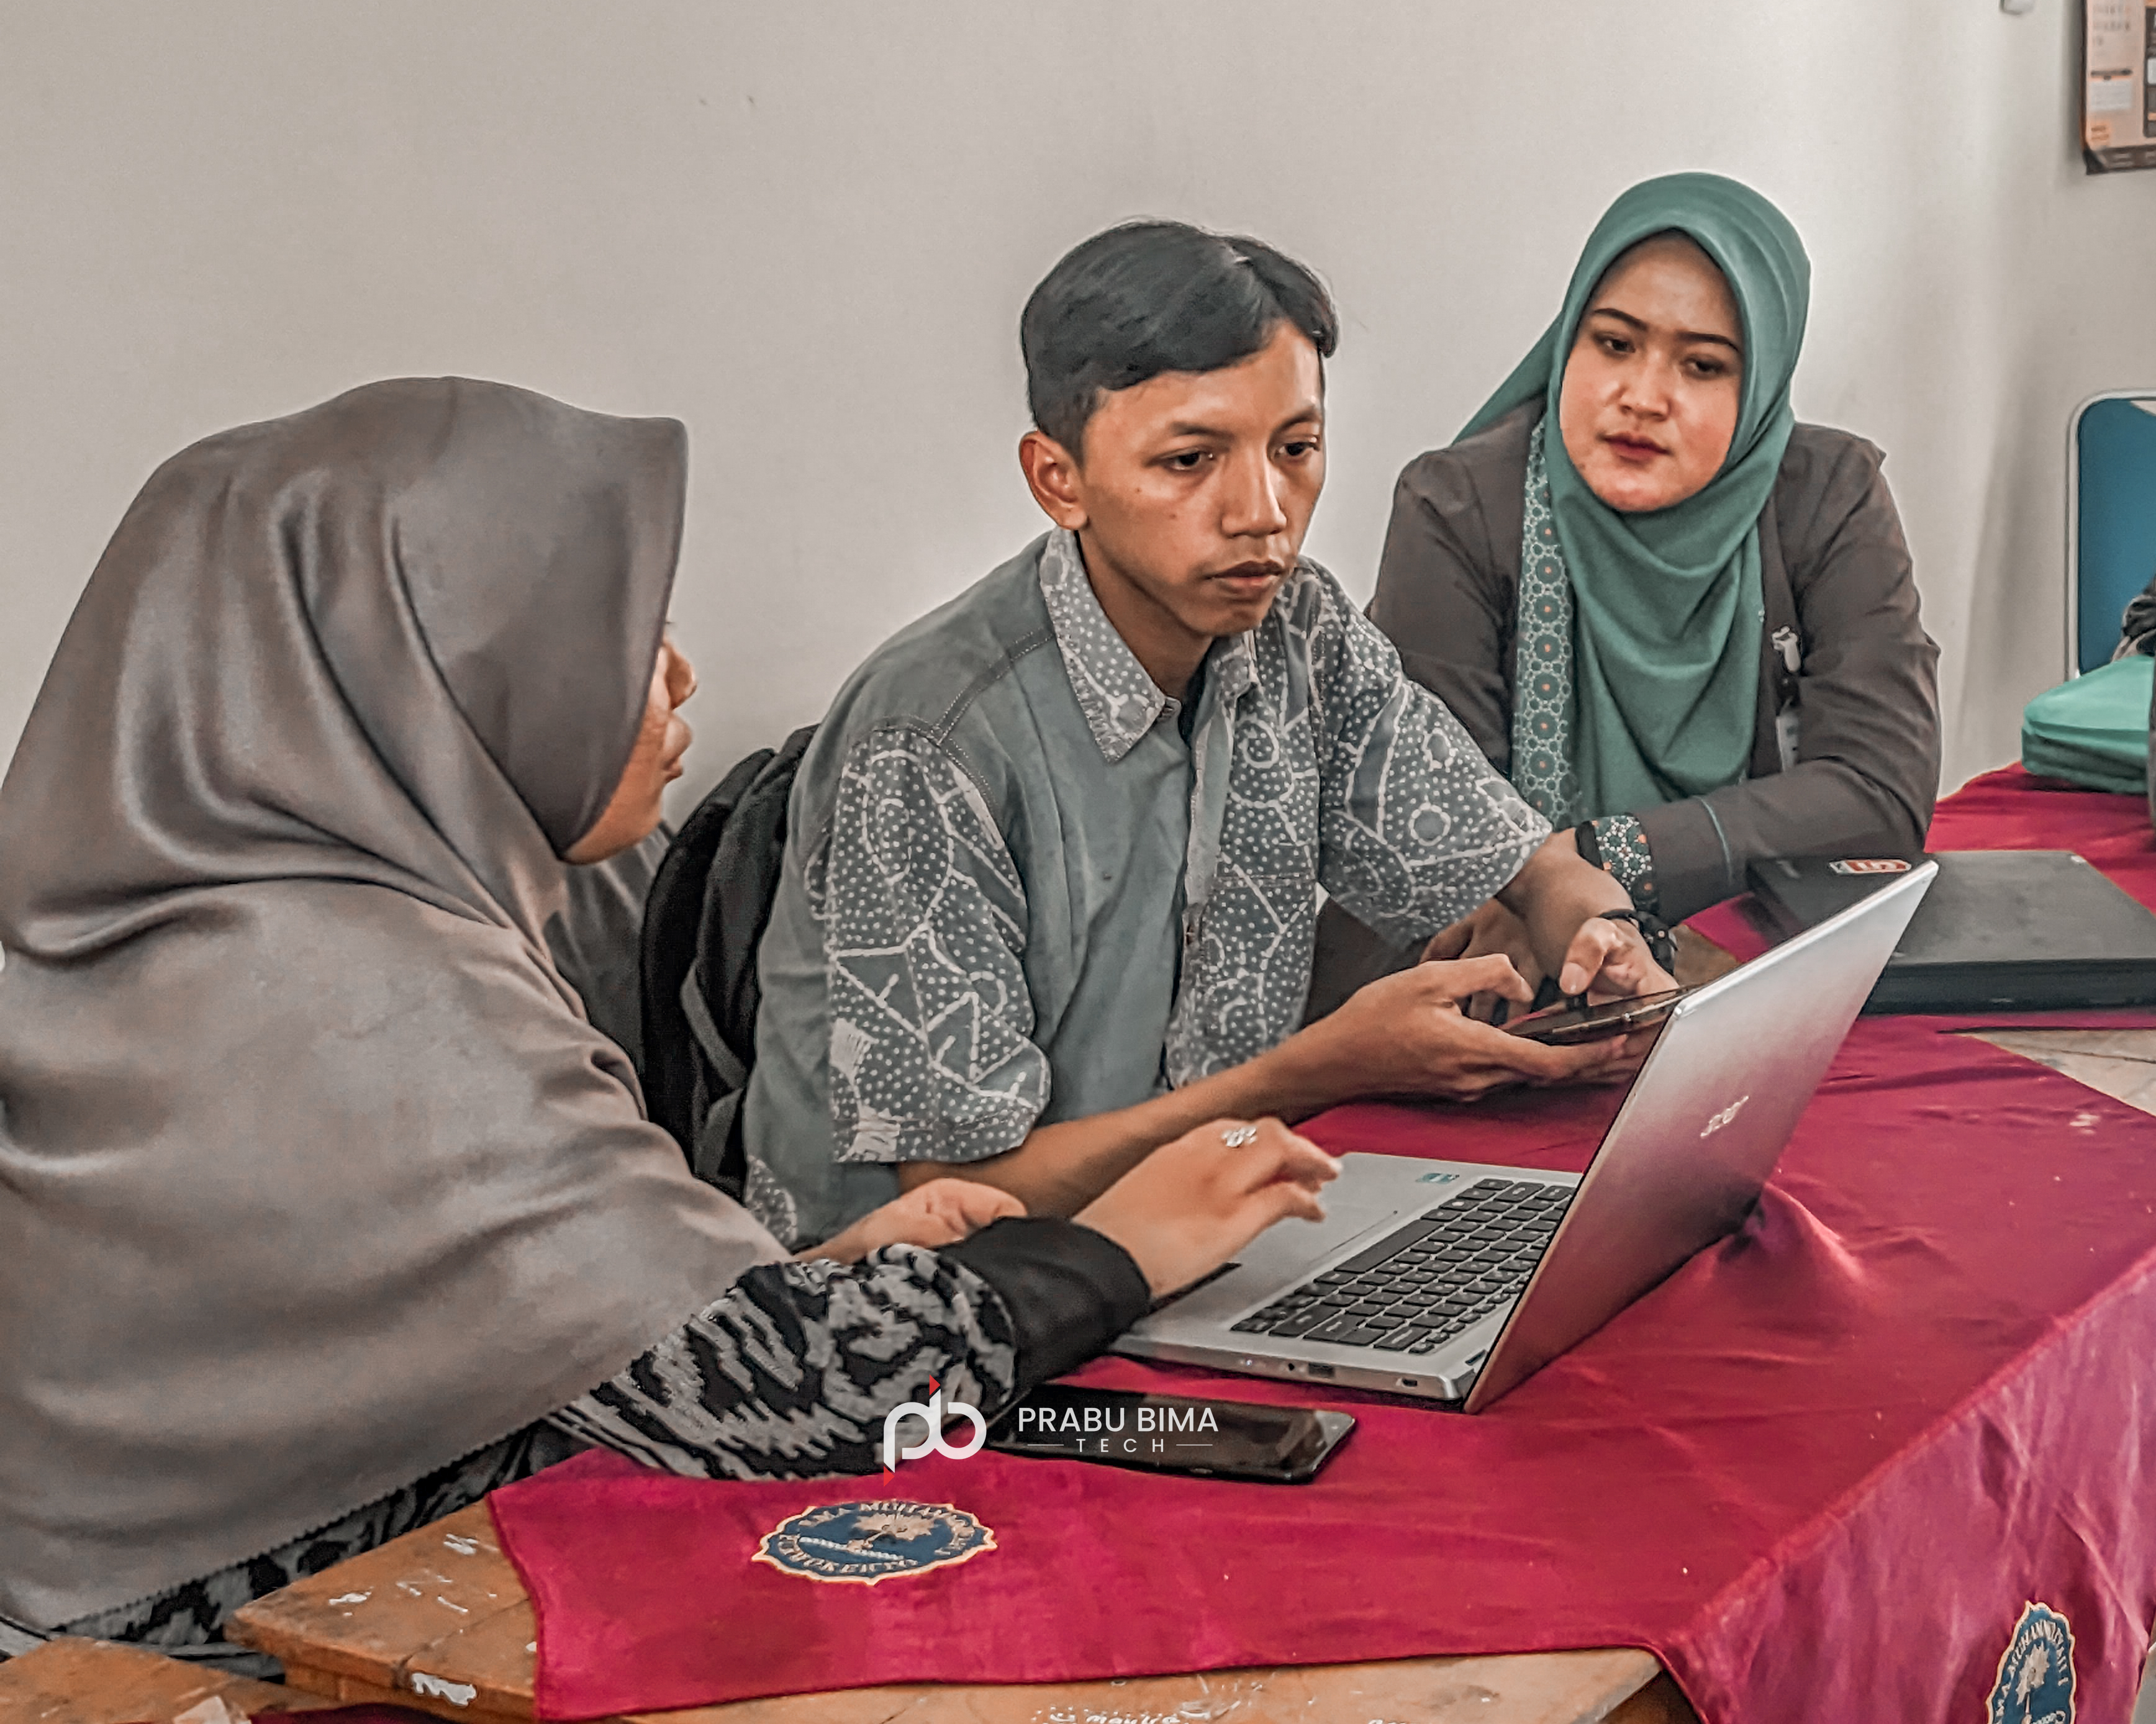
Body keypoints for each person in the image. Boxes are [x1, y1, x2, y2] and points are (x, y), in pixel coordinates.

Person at [0, 377, 1336, 1658]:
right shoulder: (353, 997)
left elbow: (489, 1339)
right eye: (621, 637)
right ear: (432, 677)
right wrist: (1121, 1248)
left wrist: (778, 1282)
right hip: (222, 1649)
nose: (684, 675)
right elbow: (798, 1399)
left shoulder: (207, 915)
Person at [739, 222, 1664, 1254]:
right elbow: (964, 1191)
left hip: (1201, 1239)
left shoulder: (1299, 632)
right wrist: (1320, 1069)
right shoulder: (929, 747)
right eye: (1190, 460)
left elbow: (1532, 867)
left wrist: (1600, 933)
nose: (1263, 512)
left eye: (1297, 450)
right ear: (1059, 480)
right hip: (933, 1314)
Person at [1344, 173, 1938, 1006]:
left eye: (1701, 366)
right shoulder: (1459, 509)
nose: (1642, 397)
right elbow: (1454, 845)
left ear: (1761, 381)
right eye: (1614, 344)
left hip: (1750, 975)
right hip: (1497, 998)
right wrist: (1551, 892)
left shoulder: (1824, 495)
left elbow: (1879, 793)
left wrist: (1587, 859)